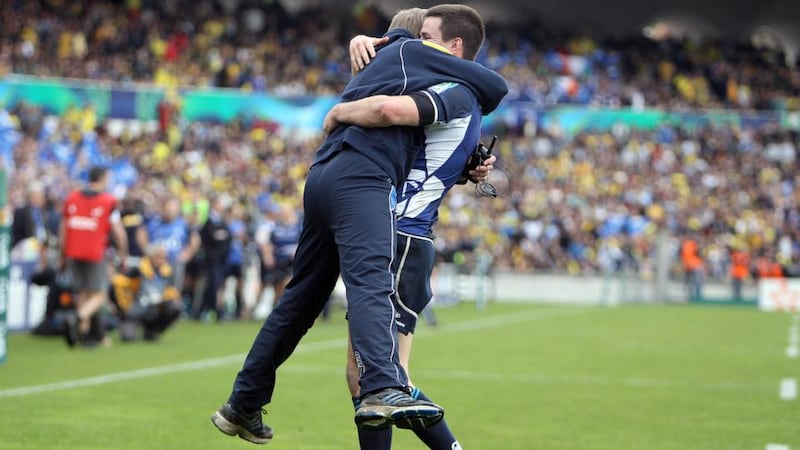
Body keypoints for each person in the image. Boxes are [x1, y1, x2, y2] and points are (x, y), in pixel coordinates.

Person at [210, 4, 507, 445]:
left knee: (302, 301)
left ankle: (243, 402)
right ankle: (384, 388)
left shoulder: (393, 67)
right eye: (420, 36)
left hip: (324, 177)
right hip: (372, 190)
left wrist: (341, 109)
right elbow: (399, 110)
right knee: (372, 311)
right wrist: (342, 110)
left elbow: (430, 146)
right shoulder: (423, 64)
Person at [332, 5, 498, 449]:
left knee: (382, 380)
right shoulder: (457, 93)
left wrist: (340, 112)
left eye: (428, 36)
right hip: (406, 237)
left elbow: (387, 110)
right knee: (370, 377)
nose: (417, 46)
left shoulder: (456, 91)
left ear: (453, 45)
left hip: (402, 236)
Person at [60, 165, 128, 347]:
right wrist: (123, 254)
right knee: (99, 294)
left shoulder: (72, 198)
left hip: (73, 251)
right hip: (95, 252)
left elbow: (63, 229)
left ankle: (81, 333)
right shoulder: (108, 201)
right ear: (104, 178)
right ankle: (77, 318)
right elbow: (118, 231)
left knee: (83, 292)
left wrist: (62, 254)